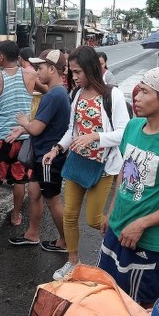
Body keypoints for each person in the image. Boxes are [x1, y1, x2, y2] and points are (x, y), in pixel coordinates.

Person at [97, 67, 159, 306]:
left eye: (144, 92)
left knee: (138, 305)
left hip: (149, 240)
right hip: (117, 229)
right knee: (106, 293)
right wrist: (111, 212)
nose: (137, 97)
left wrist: (141, 224)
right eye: (138, 91)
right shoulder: (133, 127)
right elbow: (124, 171)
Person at [43, 46, 130, 281]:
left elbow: (123, 133)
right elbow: (72, 130)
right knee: (70, 215)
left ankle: (120, 244)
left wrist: (95, 137)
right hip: (78, 162)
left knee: (93, 219)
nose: (74, 77)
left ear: (91, 69)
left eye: (78, 71)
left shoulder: (113, 95)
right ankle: (73, 263)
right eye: (72, 72)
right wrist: (57, 149)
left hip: (103, 166)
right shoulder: (76, 94)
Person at [8, 50, 70, 250]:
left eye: (40, 67)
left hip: (48, 158)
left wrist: (24, 122)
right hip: (43, 155)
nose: (36, 72)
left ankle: (66, 242)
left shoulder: (54, 94)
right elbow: (42, 123)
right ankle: (32, 234)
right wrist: (24, 127)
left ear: (52, 69)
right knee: (34, 193)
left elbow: (35, 128)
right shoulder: (57, 92)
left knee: (52, 200)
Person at [0, 40, 36, 225]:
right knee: (20, 180)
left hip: (1, 137)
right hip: (24, 137)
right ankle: (15, 216)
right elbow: (48, 91)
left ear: (2, 57)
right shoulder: (30, 76)